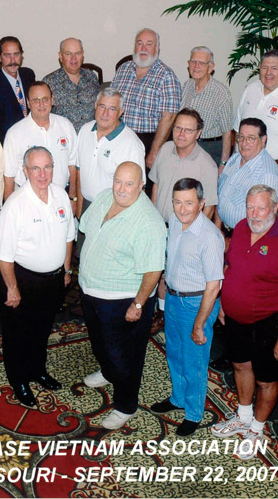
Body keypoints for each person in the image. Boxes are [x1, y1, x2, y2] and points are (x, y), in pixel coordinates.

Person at [211, 185, 278, 460]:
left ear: (275, 208)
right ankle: (243, 417)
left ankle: (256, 429)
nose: (254, 214)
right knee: (240, 365)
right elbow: (230, 266)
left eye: (261, 208)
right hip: (236, 319)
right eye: (250, 207)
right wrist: (224, 302)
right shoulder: (242, 228)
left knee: (266, 380)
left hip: (268, 324)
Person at [79, 162, 167, 430]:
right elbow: (86, 228)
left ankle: (126, 406)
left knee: (125, 356)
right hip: (91, 291)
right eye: (118, 181)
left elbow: (154, 270)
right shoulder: (105, 197)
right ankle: (108, 373)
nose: (121, 188)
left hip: (123, 300)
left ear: (141, 186)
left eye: (129, 184)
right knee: (100, 344)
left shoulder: (149, 222)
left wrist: (138, 304)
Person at [0, 147, 75, 407]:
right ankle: (19, 379)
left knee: (42, 328)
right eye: (36, 168)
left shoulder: (61, 195)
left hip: (53, 279)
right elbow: (3, 255)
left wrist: (66, 270)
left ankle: (38, 370)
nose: (42, 174)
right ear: (25, 171)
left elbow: (69, 236)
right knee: (18, 333)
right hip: (22, 278)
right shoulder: (15, 204)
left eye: (47, 167)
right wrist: (12, 288)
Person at [150, 178, 224, 436]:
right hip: (173, 298)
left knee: (194, 361)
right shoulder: (174, 221)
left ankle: (193, 413)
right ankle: (178, 398)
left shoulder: (210, 237)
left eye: (189, 203)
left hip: (196, 303)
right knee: (174, 352)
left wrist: (200, 323)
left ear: (202, 204)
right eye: (177, 202)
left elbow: (213, 287)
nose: (182, 209)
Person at [234, 50, 278, 209]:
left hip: (273, 171)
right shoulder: (251, 89)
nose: (268, 73)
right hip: (243, 167)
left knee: (265, 220)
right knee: (238, 214)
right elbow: (238, 131)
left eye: (274, 68)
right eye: (265, 67)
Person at [111, 28, 181, 170]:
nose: (143, 48)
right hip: (119, 138)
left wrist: (154, 152)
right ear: (134, 47)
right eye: (140, 43)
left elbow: (169, 118)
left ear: (157, 48)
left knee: (143, 183)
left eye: (149, 44)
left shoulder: (166, 76)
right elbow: (111, 103)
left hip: (148, 142)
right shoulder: (123, 69)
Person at [3, 81, 77, 204]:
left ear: (52, 100)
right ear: (28, 103)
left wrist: (72, 197)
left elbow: (73, 165)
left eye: (45, 99)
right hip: (28, 202)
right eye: (36, 100)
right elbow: (9, 177)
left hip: (61, 199)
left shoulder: (66, 126)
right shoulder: (14, 133)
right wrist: (9, 207)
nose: (41, 104)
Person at [75, 87, 145, 217]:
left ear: (121, 112)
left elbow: (138, 189)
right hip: (86, 206)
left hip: (113, 210)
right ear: (95, 105)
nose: (105, 113)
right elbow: (79, 172)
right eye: (102, 106)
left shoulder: (132, 144)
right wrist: (79, 210)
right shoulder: (84, 131)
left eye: (112, 109)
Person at [216, 118, 278, 236]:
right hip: (222, 231)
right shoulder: (234, 159)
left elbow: (264, 220)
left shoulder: (268, 174)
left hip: (246, 237)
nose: (244, 143)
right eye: (241, 137)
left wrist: (238, 240)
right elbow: (221, 194)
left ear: (263, 140)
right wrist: (217, 228)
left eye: (251, 138)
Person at [150, 108, 218, 222]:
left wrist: (194, 231)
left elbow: (209, 208)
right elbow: (156, 184)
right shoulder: (165, 149)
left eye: (188, 130)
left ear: (198, 133)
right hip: (158, 224)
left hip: (184, 229)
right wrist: (152, 217)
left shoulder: (207, 166)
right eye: (178, 128)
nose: (181, 134)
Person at [180, 47, 234, 166]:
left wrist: (223, 163)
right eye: (193, 62)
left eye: (201, 63)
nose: (196, 66)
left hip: (209, 149)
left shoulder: (221, 93)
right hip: (185, 147)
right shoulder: (186, 86)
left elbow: (227, 132)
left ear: (210, 67)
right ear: (188, 64)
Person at [0, 36, 36, 143]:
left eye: (16, 54)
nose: (12, 60)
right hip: (10, 144)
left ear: (22, 55)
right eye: (7, 55)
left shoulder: (28, 75)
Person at [43, 37, 100, 132]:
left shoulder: (92, 77)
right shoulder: (49, 82)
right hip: (62, 137)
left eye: (77, 53)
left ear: (83, 54)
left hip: (90, 136)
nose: (74, 58)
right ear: (61, 56)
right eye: (68, 54)